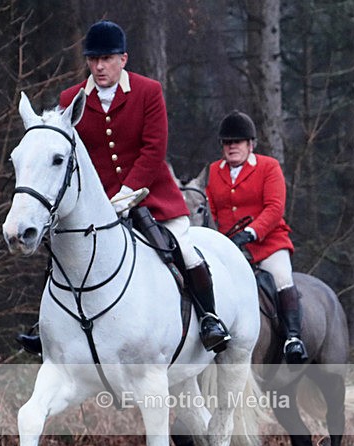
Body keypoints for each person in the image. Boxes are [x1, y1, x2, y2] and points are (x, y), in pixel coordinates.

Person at [18, 20, 229, 355]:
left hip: (151, 197)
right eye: (93, 59)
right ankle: (47, 331)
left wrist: (126, 195)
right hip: (95, 203)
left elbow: (154, 150)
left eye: (107, 58)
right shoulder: (70, 99)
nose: (100, 66)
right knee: (63, 253)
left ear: (123, 59)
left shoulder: (148, 91)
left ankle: (210, 319)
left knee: (184, 250)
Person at [206, 110, 308, 364]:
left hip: (268, 245)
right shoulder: (213, 171)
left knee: (282, 277)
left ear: (250, 144)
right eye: (227, 143)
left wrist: (250, 233)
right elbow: (211, 210)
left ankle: (293, 338)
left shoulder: (268, 167)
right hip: (230, 248)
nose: (231, 147)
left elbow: (275, 208)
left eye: (237, 142)